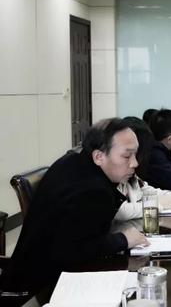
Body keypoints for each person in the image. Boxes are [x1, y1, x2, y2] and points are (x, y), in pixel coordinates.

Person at [0, 119, 148, 297]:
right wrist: (123, 240)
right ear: (98, 157)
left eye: (135, 155)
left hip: (40, 275)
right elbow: (73, 250)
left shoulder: (75, 163)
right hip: (43, 288)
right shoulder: (93, 189)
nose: (135, 163)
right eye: (127, 156)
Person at [115, 117, 171, 221]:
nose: (135, 162)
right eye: (128, 155)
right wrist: (157, 204)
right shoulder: (109, 175)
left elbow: (145, 189)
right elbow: (120, 211)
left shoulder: (130, 173)